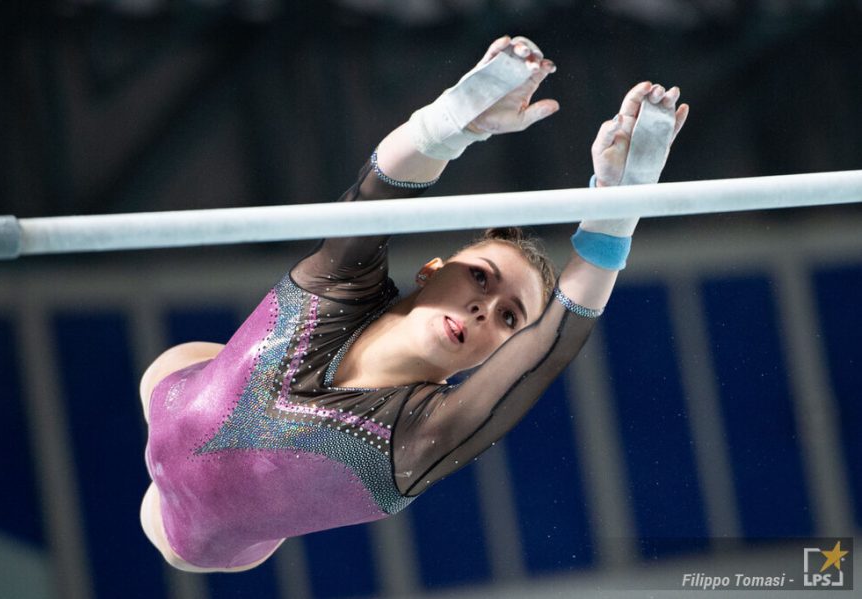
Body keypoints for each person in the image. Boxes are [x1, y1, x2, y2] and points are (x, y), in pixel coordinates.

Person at [138, 35, 689, 573]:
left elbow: (552, 346)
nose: (484, 308)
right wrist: (453, 120)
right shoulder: (339, 290)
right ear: (431, 271)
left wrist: (615, 216)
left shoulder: (418, 437)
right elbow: (376, 194)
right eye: (480, 278)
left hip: (194, 535)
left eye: (508, 318)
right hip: (177, 379)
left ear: (502, 352)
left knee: (167, 534)